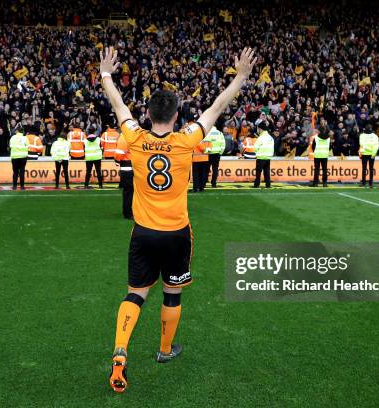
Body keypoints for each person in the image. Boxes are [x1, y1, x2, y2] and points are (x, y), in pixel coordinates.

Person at [100, 46, 256, 392]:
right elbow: (217, 107)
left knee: (135, 294)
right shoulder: (186, 140)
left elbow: (118, 105)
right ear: (176, 115)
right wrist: (241, 76)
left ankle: (120, 354)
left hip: (143, 232)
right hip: (176, 234)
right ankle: (165, 350)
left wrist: (107, 75)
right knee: (172, 293)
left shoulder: (135, 138)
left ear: (148, 114)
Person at [115, 134, 133, 219]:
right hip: (129, 168)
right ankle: (128, 213)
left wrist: (117, 161)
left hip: (128, 167)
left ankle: (129, 212)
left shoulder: (125, 137)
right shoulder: (125, 137)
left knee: (129, 192)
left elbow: (119, 154)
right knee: (129, 192)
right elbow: (120, 153)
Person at [253, 122, 274, 188]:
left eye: (258, 129)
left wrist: (257, 152)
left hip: (261, 157)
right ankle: (268, 185)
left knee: (258, 173)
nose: (258, 130)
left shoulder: (261, 138)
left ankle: (256, 185)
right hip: (268, 157)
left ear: (260, 129)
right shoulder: (270, 137)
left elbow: (255, 148)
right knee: (267, 173)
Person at [358, 123, 379, 187]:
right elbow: (376, 145)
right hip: (371, 154)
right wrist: (373, 153)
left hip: (364, 153)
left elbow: (361, 144)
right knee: (371, 169)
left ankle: (364, 183)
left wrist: (366, 149)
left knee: (364, 169)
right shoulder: (374, 136)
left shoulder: (362, 135)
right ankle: (371, 183)